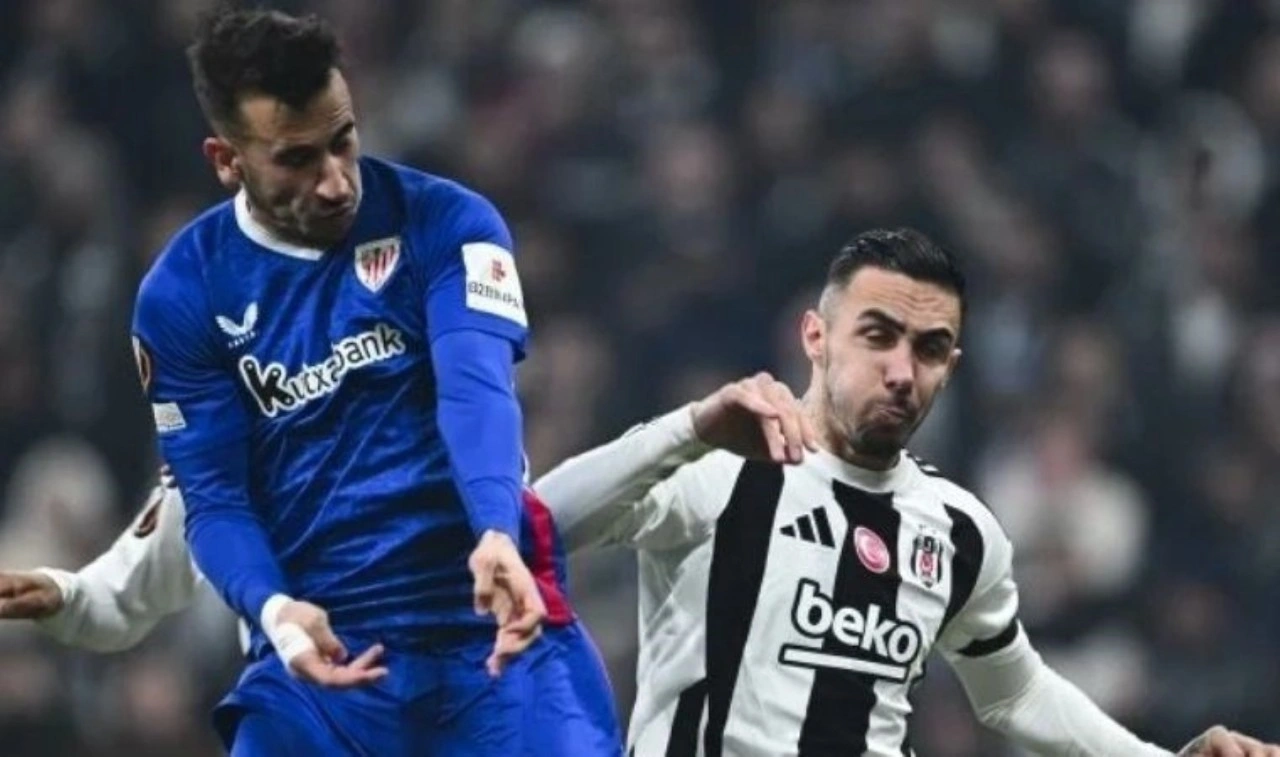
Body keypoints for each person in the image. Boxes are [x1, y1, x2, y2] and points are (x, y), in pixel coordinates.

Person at [3, 228, 1271, 756]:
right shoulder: (717, 471)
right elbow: (533, 519)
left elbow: (1014, 693)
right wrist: (682, 429)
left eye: (929, 348)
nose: (902, 368)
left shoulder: (959, 530)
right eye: (877, 334)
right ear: (815, 336)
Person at [127, 7, 616, 755]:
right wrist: (273, 608)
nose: (334, 182)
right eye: (296, 159)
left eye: (343, 140)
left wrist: (494, 527)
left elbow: (475, 390)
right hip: (327, 657)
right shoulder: (183, 296)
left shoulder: (448, 223)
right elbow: (215, 497)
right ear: (227, 160)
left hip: (488, 622)